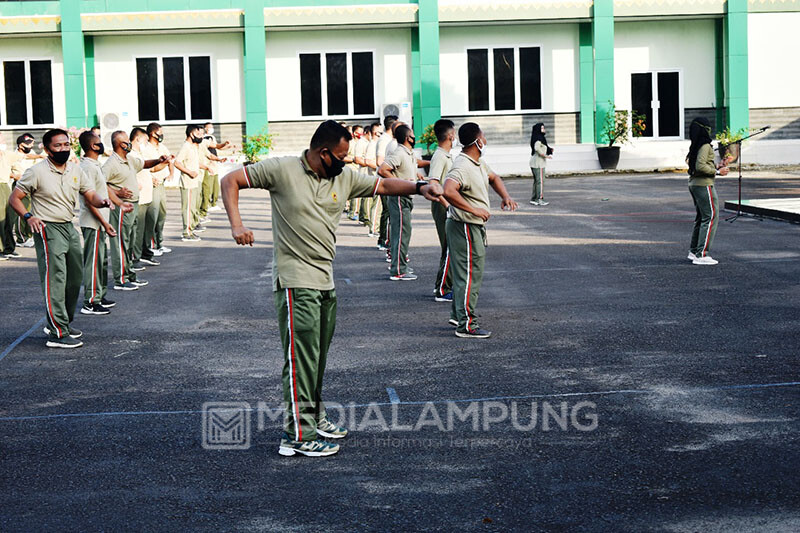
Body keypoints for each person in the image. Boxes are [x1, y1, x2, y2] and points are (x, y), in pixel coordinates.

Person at [220, 120, 442, 457]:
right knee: (300, 359)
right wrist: (237, 224)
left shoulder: (344, 177)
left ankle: (314, 417)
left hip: (325, 279)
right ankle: (296, 434)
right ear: (323, 153)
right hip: (296, 281)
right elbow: (230, 179)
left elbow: (382, 186)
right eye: (340, 156)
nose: (346, 161)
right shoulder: (281, 169)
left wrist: (419, 186)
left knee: (316, 357)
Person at [8, 129, 114, 348]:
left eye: (66, 145)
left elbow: (89, 194)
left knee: (75, 279)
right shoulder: (36, 172)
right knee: (55, 279)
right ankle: (57, 332)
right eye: (58, 146)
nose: (63, 149)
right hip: (48, 228)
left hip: (68, 226)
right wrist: (28, 217)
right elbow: (14, 198)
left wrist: (102, 201)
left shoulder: (75, 170)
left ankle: (62, 322)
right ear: (47, 149)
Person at [442, 122, 518, 339]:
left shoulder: (477, 163)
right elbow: (448, 190)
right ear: (477, 141)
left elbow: (494, 178)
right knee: (469, 275)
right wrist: (473, 209)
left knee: (464, 275)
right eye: (483, 137)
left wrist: (505, 196)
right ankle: (467, 324)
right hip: (465, 226)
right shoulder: (462, 165)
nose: (485, 140)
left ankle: (458, 315)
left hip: (470, 226)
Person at [103, 130, 167, 290]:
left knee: (130, 242)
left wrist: (158, 160)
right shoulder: (111, 164)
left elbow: (144, 164)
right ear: (119, 144)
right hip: (121, 208)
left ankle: (130, 274)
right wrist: (117, 193)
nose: (129, 144)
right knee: (120, 243)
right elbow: (99, 183)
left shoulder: (129, 159)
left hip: (133, 205)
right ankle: (121, 279)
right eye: (126, 141)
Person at [78, 130, 133, 315]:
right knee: (92, 262)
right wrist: (104, 222)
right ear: (93, 146)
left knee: (101, 261)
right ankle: (90, 301)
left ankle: (99, 295)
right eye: (99, 141)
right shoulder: (87, 167)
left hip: (101, 221)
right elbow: (89, 200)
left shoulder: (95, 165)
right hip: (93, 222)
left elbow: (105, 189)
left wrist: (120, 204)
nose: (102, 144)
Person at [377, 124, 419, 281]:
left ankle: (400, 265)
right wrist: (399, 182)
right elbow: (383, 169)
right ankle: (398, 270)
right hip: (400, 197)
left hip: (406, 197)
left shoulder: (408, 153)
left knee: (402, 233)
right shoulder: (399, 152)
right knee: (401, 233)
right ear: (408, 138)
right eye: (413, 135)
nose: (415, 137)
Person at [687, 117, 728, 266]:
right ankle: (702, 254)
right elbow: (700, 166)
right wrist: (717, 172)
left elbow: (701, 163)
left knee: (701, 217)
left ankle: (694, 251)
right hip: (704, 185)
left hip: (695, 184)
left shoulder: (697, 145)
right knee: (711, 217)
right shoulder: (705, 145)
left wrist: (718, 166)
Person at [130, 127, 170, 269]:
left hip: (147, 196)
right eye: (146, 140)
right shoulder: (131, 155)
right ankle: (135, 259)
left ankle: (146, 254)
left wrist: (163, 163)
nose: (147, 143)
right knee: (138, 230)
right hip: (139, 198)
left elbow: (151, 168)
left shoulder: (140, 153)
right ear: (138, 139)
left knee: (147, 228)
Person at [428, 119, 456, 302]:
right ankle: (442, 289)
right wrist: (447, 206)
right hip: (442, 206)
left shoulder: (445, 155)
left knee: (450, 247)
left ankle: (443, 285)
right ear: (450, 135)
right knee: (449, 247)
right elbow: (433, 183)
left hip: (447, 204)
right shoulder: (440, 156)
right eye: (455, 132)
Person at [11, 133, 44, 248]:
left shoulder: (31, 154)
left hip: (32, 185)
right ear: (20, 145)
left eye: (31, 144)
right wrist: (15, 176)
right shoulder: (13, 156)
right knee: (21, 212)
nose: (30, 147)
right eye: (27, 144)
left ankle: (28, 235)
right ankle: (21, 238)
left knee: (31, 211)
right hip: (19, 186)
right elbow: (6, 170)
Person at [145, 123, 172, 255]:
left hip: (161, 183)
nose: (161, 135)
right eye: (159, 132)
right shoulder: (146, 148)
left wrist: (171, 172)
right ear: (152, 134)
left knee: (162, 214)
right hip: (152, 185)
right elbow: (149, 168)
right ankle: (151, 245)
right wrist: (164, 164)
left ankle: (159, 242)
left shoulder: (162, 147)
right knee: (152, 216)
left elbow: (170, 159)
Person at [174, 125, 205, 242]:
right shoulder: (186, 147)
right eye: (198, 134)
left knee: (192, 209)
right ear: (191, 134)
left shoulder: (193, 147)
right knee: (187, 209)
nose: (200, 137)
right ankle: (186, 232)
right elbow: (177, 163)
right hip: (188, 183)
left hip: (194, 182)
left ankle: (190, 229)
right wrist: (189, 172)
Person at [375, 115, 397, 250]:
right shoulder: (384, 140)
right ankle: (383, 239)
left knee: (388, 211)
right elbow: (379, 161)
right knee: (387, 211)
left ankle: (384, 239)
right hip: (385, 181)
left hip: (388, 180)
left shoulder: (388, 140)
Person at [199, 122, 229, 218]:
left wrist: (226, 146)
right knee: (208, 187)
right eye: (209, 127)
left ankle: (212, 203)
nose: (211, 129)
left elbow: (216, 147)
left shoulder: (211, 138)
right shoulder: (204, 139)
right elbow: (209, 152)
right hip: (207, 164)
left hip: (213, 162)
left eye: (212, 127)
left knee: (215, 184)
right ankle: (206, 207)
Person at [529, 122, 553, 206]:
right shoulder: (538, 138)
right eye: (542, 128)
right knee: (541, 182)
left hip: (534, 163)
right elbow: (537, 148)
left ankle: (534, 198)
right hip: (539, 164)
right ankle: (539, 199)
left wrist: (549, 150)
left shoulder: (537, 137)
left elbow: (543, 147)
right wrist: (545, 155)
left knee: (537, 182)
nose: (544, 130)